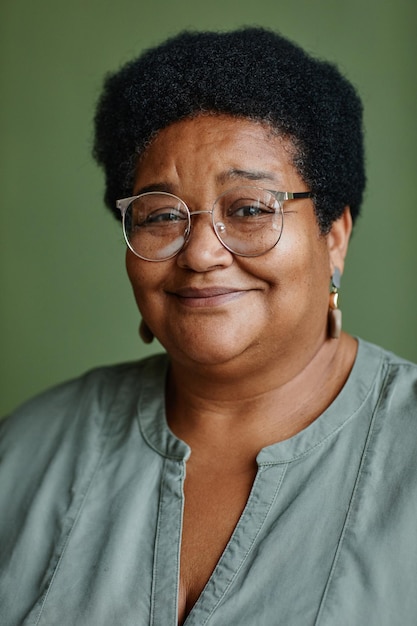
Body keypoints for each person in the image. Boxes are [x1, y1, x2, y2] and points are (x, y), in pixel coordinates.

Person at [0, 27, 416, 626]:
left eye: (248, 209)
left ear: (334, 237)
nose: (199, 254)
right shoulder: (27, 451)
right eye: (162, 215)